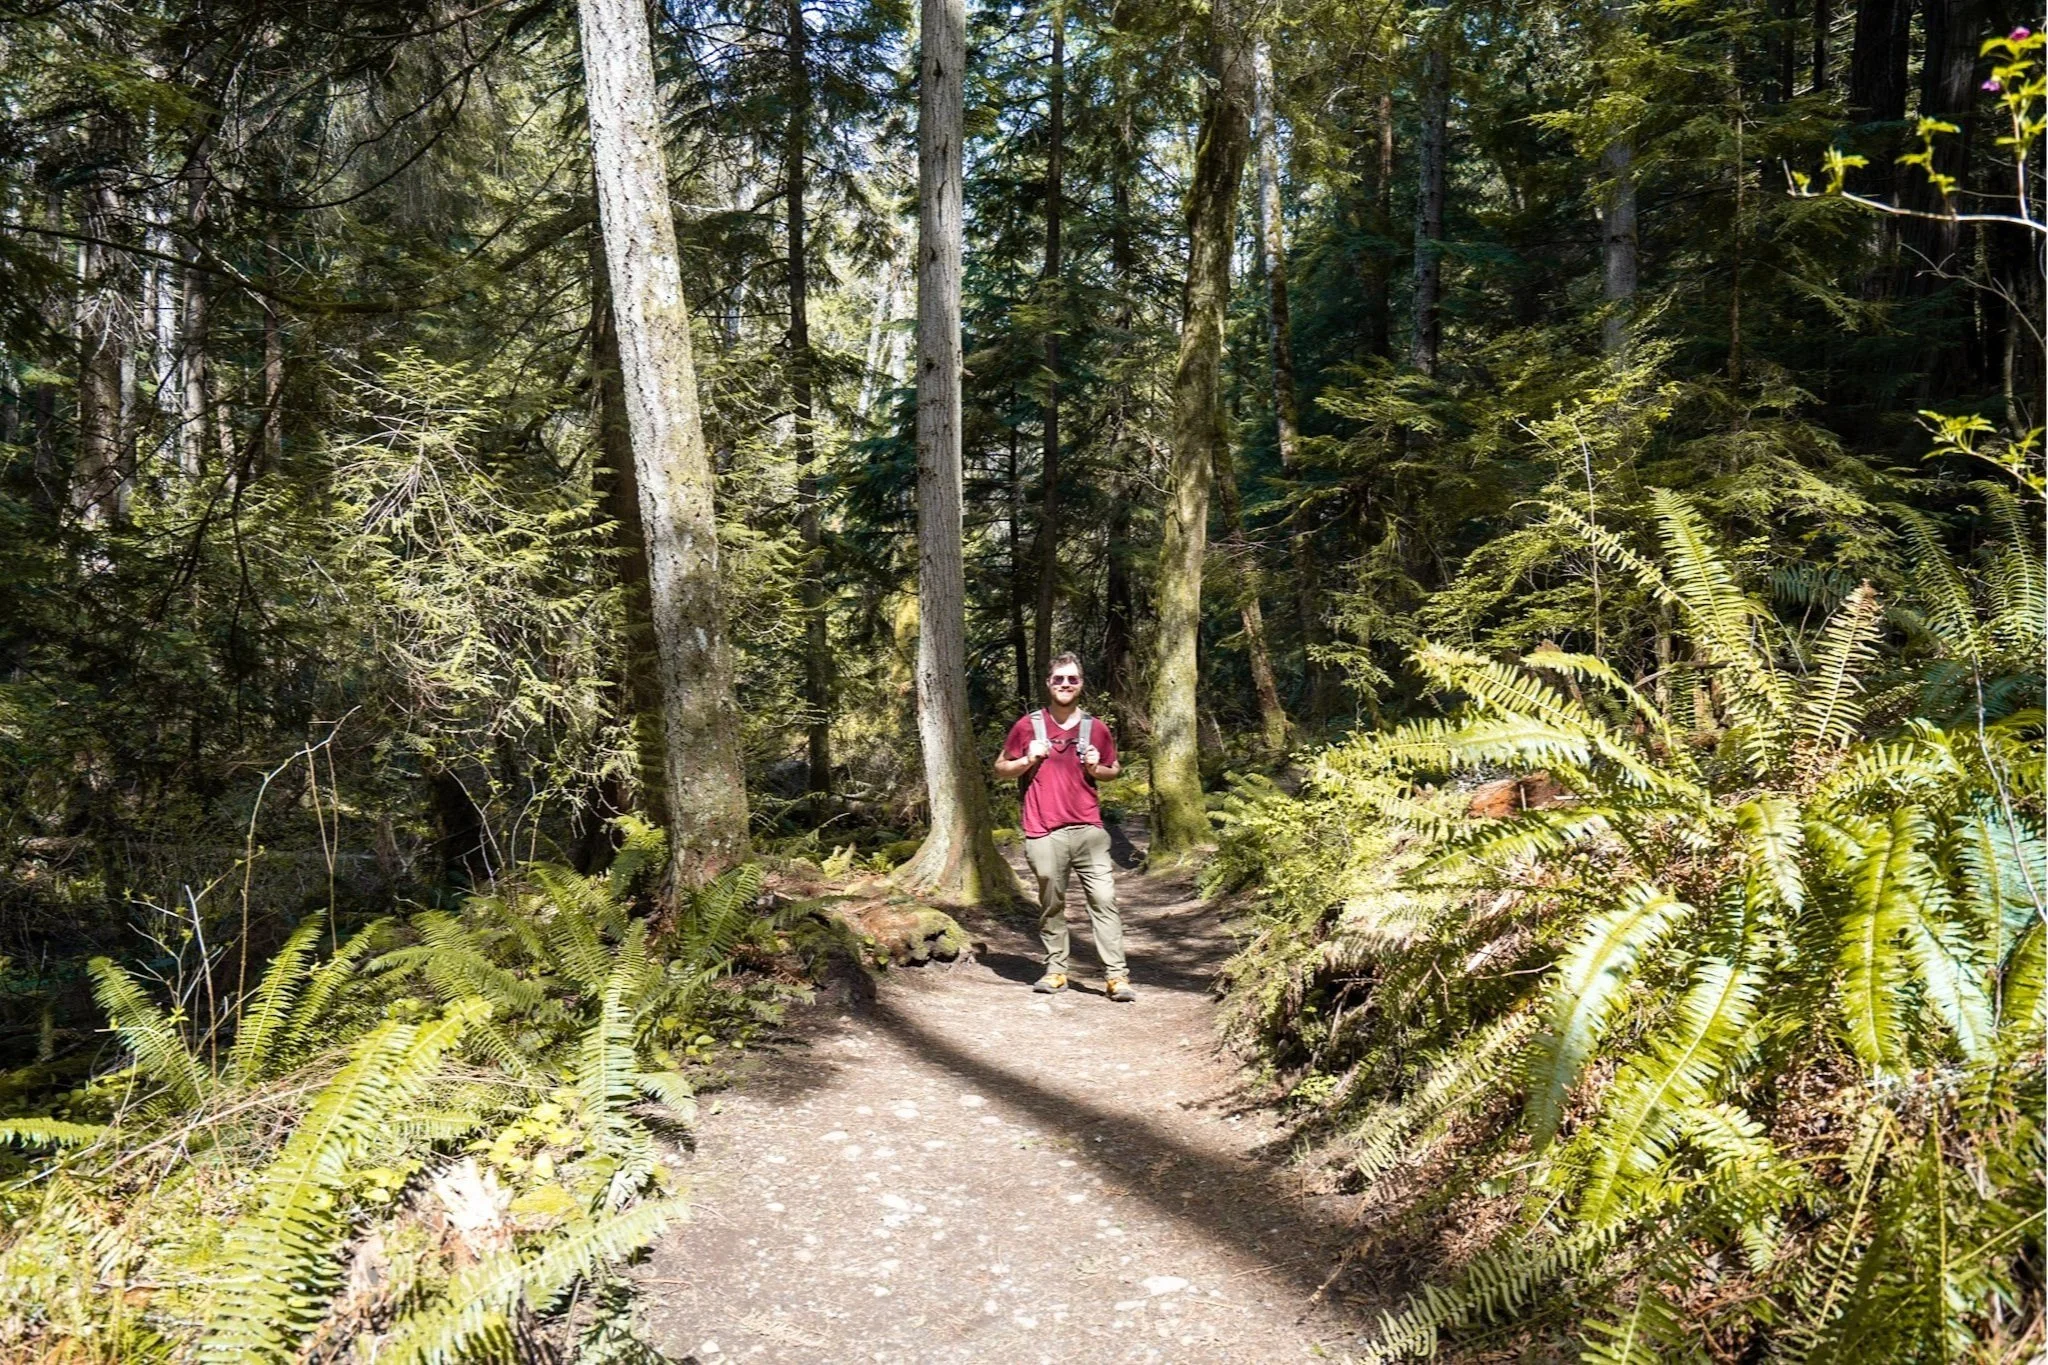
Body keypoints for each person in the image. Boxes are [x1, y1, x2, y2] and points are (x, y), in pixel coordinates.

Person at [993, 653, 1134, 1002]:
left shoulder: (1095, 728)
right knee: (1051, 903)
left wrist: (1096, 768)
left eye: (1072, 679)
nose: (1066, 684)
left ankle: (1117, 977)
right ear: (1048, 683)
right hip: (1043, 829)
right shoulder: (1028, 726)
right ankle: (1056, 971)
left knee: (1103, 900)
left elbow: (1113, 770)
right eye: (1059, 679)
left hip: (1088, 828)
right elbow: (1000, 768)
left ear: (1081, 683)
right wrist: (1029, 759)